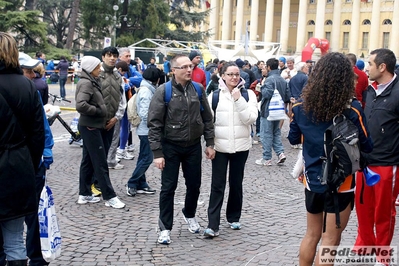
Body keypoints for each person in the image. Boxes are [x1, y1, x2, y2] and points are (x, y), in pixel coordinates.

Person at [288, 52, 373, 266]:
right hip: (341, 182)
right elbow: (366, 144)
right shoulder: (352, 109)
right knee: (330, 240)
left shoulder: (300, 106)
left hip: (313, 179)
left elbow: (293, 138)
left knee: (311, 235)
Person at [147, 54, 215, 245]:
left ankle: (189, 213)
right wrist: (157, 153)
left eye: (190, 66)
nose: (189, 70)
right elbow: (154, 123)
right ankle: (165, 228)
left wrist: (209, 143)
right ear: (173, 70)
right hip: (170, 146)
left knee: (194, 184)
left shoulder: (198, 89)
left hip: (193, 145)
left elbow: (207, 118)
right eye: (184, 67)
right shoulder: (164, 91)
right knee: (168, 187)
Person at [0, 32, 45, 266]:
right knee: (15, 240)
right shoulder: (27, 86)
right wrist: (28, 160)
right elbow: (38, 133)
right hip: (18, 165)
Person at [353, 48, 399, 260]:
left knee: (383, 212)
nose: (367, 68)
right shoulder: (370, 90)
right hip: (365, 160)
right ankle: (365, 244)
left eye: (370, 64)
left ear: (382, 67)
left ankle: (382, 255)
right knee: (363, 207)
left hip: (387, 162)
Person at [203, 62, 258, 238]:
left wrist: (238, 99)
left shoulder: (248, 95)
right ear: (223, 76)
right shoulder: (215, 96)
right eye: (230, 74)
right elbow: (208, 123)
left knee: (236, 183)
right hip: (220, 146)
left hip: (241, 146)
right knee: (217, 185)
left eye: (237, 74)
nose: (234, 77)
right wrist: (209, 144)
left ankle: (234, 217)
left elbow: (250, 118)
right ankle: (213, 224)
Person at [75, 55, 125, 209]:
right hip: (91, 126)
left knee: (89, 160)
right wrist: (98, 111)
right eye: (97, 67)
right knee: (99, 161)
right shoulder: (86, 83)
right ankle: (109, 196)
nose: (100, 69)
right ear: (91, 68)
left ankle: (84, 194)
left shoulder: (89, 81)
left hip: (92, 125)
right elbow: (81, 105)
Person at [19, 52, 54, 266]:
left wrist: (46, 151)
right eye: (29, 71)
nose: (33, 75)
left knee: (33, 212)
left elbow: (43, 126)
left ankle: (37, 256)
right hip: (23, 161)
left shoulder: (31, 90)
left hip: (33, 161)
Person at [126, 68, 161, 197]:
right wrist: (156, 124)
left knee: (143, 157)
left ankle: (142, 184)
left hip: (145, 129)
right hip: (147, 129)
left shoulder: (146, 89)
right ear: (156, 79)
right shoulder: (147, 91)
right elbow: (145, 114)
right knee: (147, 158)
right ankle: (132, 183)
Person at [255, 58, 290, 166]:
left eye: (266, 66)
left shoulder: (269, 80)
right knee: (276, 133)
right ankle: (280, 153)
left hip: (268, 110)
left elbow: (266, 94)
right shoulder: (282, 79)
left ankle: (267, 158)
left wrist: (261, 87)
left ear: (269, 67)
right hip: (278, 111)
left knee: (266, 134)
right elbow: (287, 96)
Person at [117, 48, 143, 159]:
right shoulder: (115, 68)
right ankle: (116, 150)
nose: (129, 58)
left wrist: (128, 80)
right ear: (120, 56)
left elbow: (141, 78)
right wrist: (125, 83)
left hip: (127, 101)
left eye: (129, 56)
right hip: (117, 103)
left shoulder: (130, 68)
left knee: (126, 126)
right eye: (126, 56)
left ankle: (122, 149)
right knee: (116, 128)